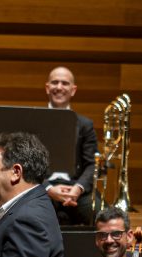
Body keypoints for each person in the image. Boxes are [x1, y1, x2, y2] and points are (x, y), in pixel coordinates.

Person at [44, 67, 97, 226]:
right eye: (55, 82)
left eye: (65, 83)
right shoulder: (34, 120)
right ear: (47, 87)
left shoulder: (85, 125)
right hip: (43, 188)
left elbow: (92, 164)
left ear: (73, 90)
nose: (59, 87)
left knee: (100, 214)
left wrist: (77, 189)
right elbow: (27, 164)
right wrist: (48, 189)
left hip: (77, 187)